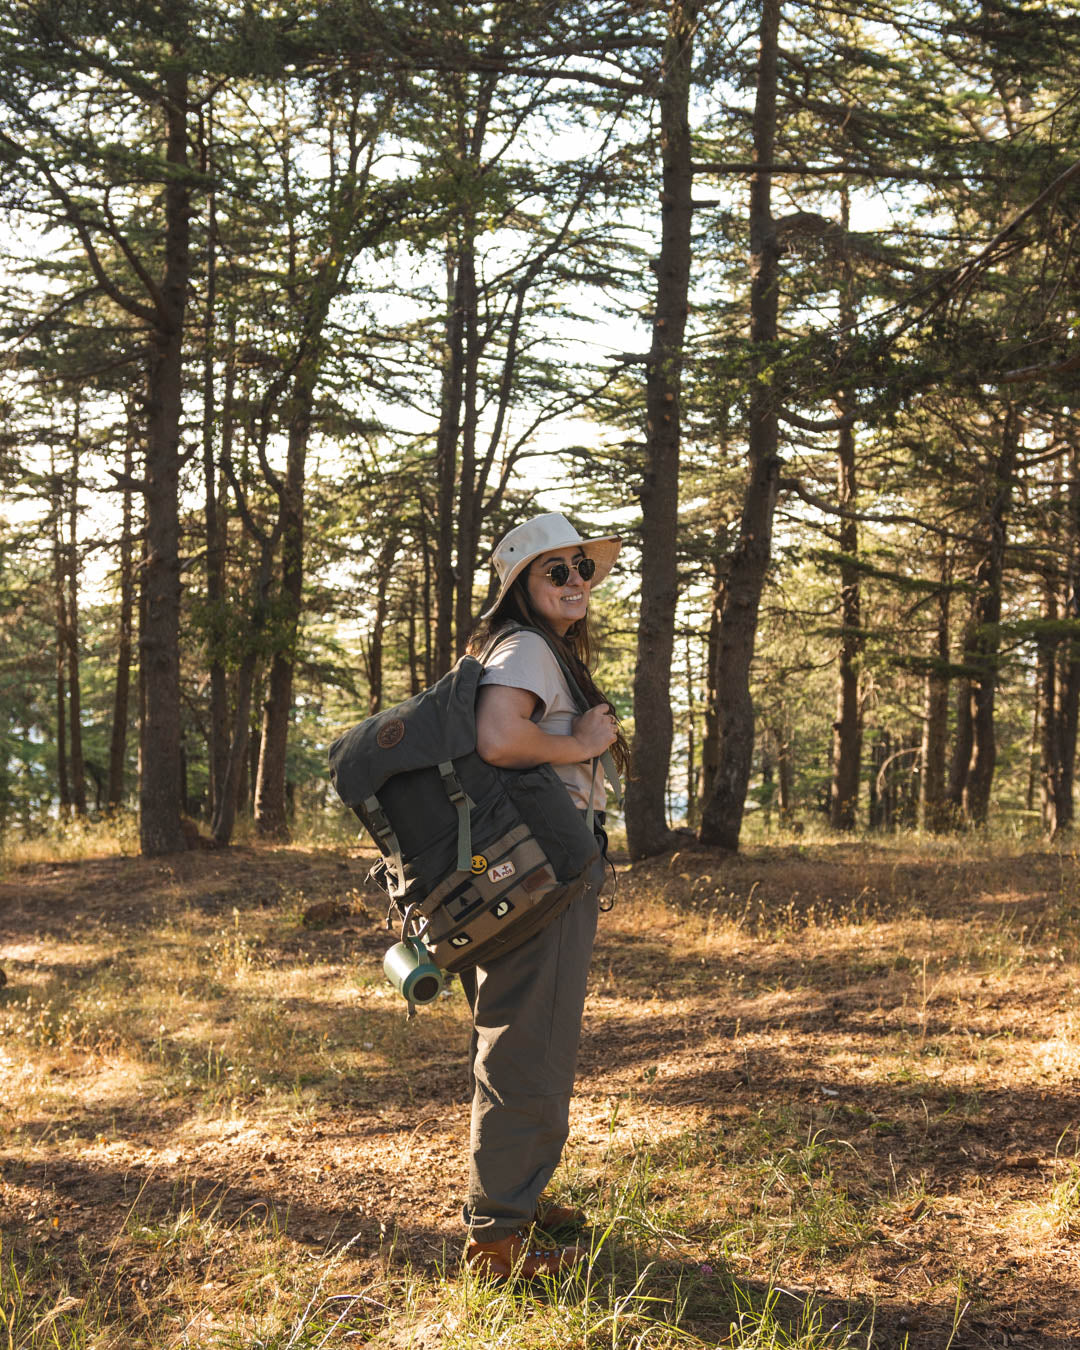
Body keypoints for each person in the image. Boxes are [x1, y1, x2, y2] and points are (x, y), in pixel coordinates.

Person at [459, 511, 630, 1280]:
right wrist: (582, 743)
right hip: (542, 872)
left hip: (516, 867)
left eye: (581, 567)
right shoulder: (527, 647)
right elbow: (500, 738)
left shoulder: (517, 647)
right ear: (520, 587)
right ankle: (497, 1243)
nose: (574, 581)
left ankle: (515, 1200)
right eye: (554, 570)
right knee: (530, 1048)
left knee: (517, 1038)